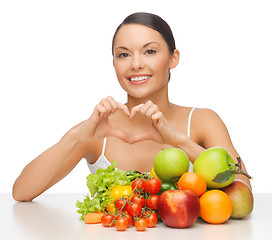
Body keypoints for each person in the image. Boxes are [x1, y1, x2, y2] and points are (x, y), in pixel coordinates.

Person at [12, 12, 251, 202]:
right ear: (114, 63)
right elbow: (21, 193)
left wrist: (180, 142)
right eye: (124, 54)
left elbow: (242, 191)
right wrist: (75, 137)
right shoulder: (97, 131)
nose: (136, 64)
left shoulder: (202, 121)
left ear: (173, 58)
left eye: (149, 51)